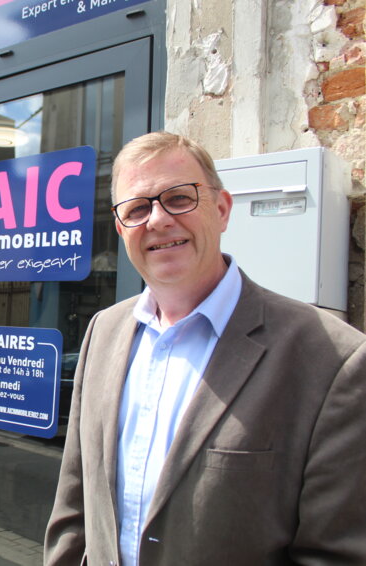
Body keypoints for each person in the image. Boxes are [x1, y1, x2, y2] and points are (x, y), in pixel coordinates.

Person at [44, 132, 366, 566]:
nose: (157, 220)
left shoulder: (332, 360)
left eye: (178, 198)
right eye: (138, 208)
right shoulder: (104, 331)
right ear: (122, 230)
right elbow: (75, 510)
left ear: (221, 209)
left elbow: (334, 555)